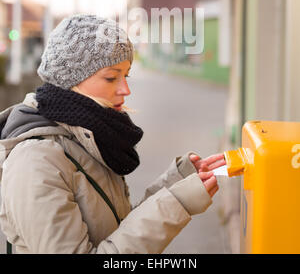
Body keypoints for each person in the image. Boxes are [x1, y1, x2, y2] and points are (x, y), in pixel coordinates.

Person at [0, 14, 225, 254]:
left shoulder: (89, 136)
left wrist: (175, 185)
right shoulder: (35, 161)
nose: (125, 89)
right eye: (111, 77)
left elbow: (118, 231)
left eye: (125, 75)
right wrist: (177, 203)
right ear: (71, 78)